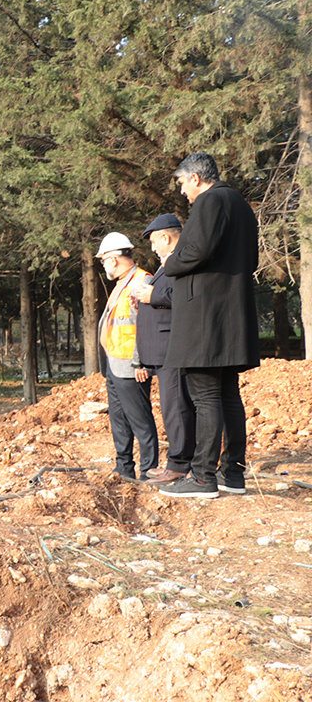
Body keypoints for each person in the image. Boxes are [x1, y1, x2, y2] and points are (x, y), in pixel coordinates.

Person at [160, 153, 260, 499]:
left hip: (205, 318)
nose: (184, 192)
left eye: (184, 183)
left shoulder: (210, 201)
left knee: (205, 396)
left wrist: (170, 263)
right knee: (228, 394)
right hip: (232, 317)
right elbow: (251, 259)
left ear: (197, 178)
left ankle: (202, 477)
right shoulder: (241, 205)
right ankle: (233, 473)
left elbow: (196, 250)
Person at [131, 214, 196, 484]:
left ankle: (180, 463)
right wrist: (146, 301)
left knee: (177, 407)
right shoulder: (168, 263)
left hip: (173, 346)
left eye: (154, 242)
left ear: (166, 237)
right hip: (163, 348)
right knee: (172, 406)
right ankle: (179, 461)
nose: (153, 248)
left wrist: (152, 295)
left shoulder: (182, 260)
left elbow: (188, 297)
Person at [95, 231, 158, 481]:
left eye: (103, 261)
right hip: (114, 363)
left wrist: (140, 361)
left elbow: (146, 326)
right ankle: (124, 468)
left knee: (140, 420)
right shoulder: (121, 283)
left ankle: (148, 471)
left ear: (112, 259)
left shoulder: (143, 281)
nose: (103, 266)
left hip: (131, 366)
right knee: (119, 419)